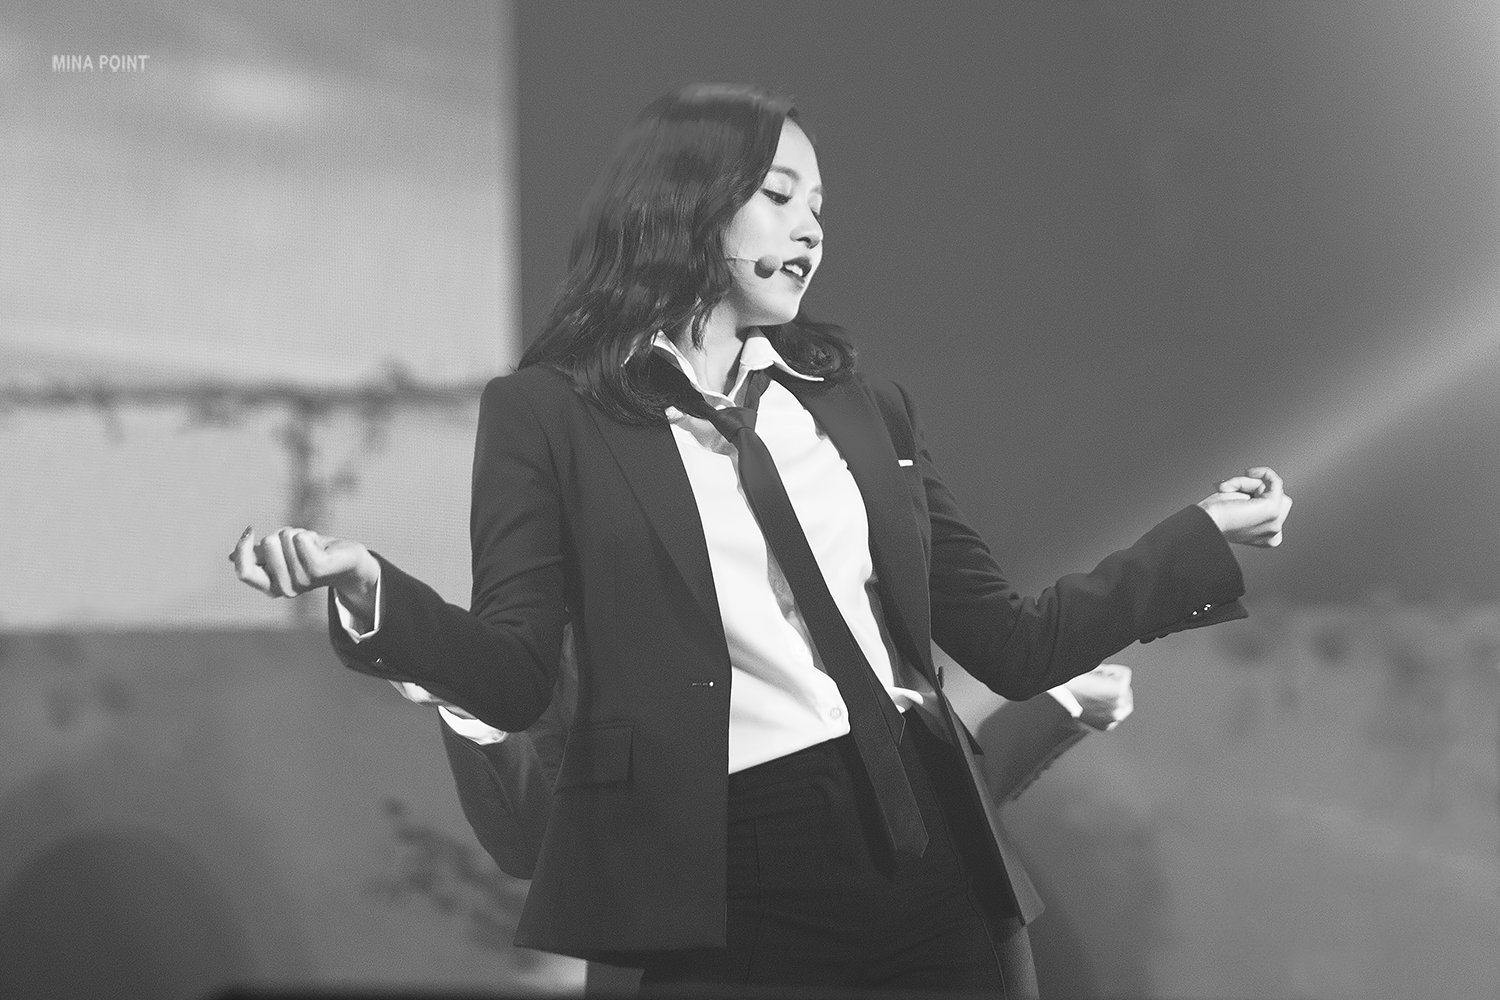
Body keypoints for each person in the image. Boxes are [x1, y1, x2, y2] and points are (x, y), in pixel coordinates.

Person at [231, 83, 1291, 997]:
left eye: (819, 207)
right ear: (687, 203)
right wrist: (370, 589)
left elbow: (1011, 643)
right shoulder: (548, 415)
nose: (811, 229)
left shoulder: (861, 407)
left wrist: (1200, 537)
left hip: (932, 855)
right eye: (779, 196)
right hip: (720, 873)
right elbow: (513, 676)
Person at [409, 627, 1133, 997]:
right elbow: (537, 849)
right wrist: (475, 714)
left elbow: (924, 807)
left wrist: (1059, 706)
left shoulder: (827, 586)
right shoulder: (572, 641)